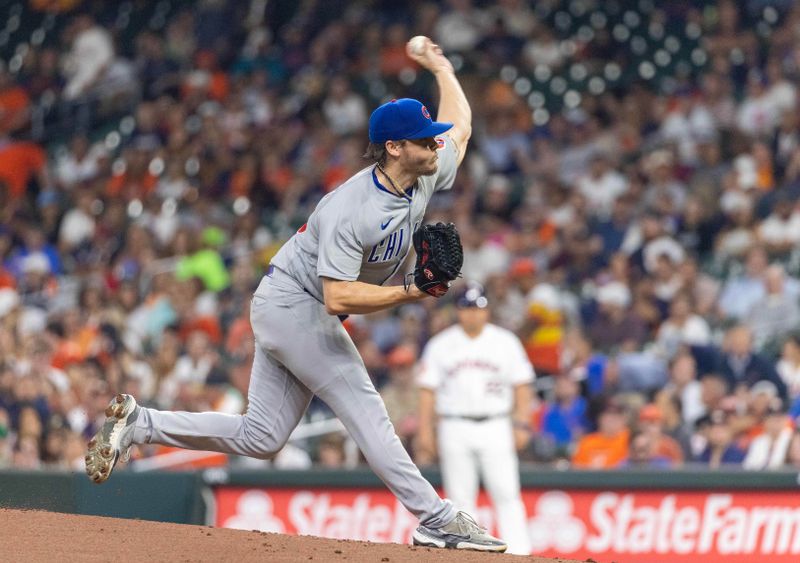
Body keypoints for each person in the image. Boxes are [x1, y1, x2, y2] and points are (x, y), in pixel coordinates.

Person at [84, 36, 507, 552]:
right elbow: (337, 299)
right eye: (424, 139)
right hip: (297, 303)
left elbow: (460, 126)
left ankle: (141, 423)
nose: (435, 144)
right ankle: (435, 516)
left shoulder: (422, 171)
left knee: (260, 437)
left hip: (292, 304)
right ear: (394, 147)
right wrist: (413, 289)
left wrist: (441, 67)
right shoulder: (351, 209)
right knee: (364, 405)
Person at [416, 282, 534, 555]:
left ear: (487, 311)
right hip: (453, 425)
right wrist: (425, 432)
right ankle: (468, 556)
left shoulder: (505, 342)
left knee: (506, 493)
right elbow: (427, 392)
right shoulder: (441, 344)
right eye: (467, 309)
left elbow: (523, 385)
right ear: (458, 311)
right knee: (460, 498)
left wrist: (521, 422)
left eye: (478, 309)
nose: (473, 315)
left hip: (496, 423)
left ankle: (521, 553)